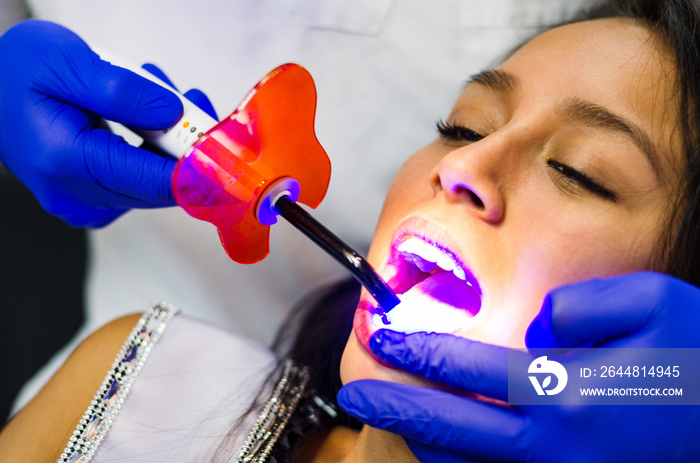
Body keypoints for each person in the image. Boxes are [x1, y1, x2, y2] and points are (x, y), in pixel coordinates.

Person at [2, 0, 700, 461]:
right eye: (464, 125)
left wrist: (686, 388)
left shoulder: (681, 387)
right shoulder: (134, 387)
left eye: (580, 171)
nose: (464, 163)